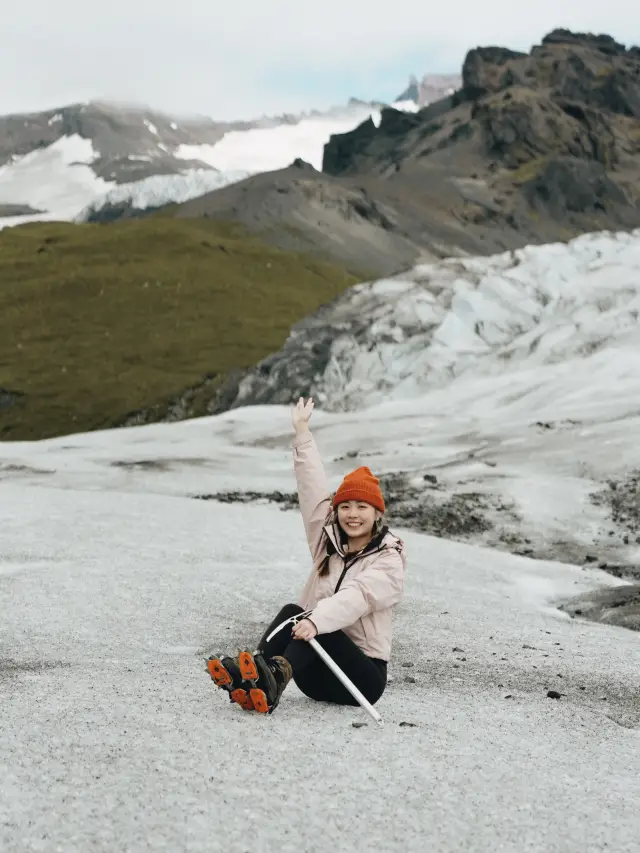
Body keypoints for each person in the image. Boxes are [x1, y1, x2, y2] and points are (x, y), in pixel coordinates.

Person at [205, 396, 407, 715]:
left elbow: (358, 596)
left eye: (362, 507)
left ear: (377, 513)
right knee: (292, 610)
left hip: (361, 681)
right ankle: (256, 678)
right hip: (313, 677)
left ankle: (271, 677)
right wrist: (302, 433)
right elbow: (312, 489)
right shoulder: (326, 541)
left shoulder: (388, 560)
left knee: (319, 622)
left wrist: (316, 620)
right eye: (345, 506)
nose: (352, 514)